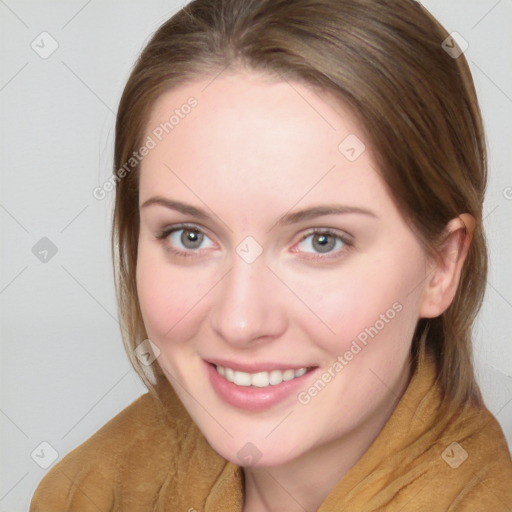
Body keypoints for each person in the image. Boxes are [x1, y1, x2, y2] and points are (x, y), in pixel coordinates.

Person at [30, 0, 512, 510]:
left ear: (442, 265)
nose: (240, 322)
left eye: (322, 241)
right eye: (189, 236)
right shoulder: (85, 492)